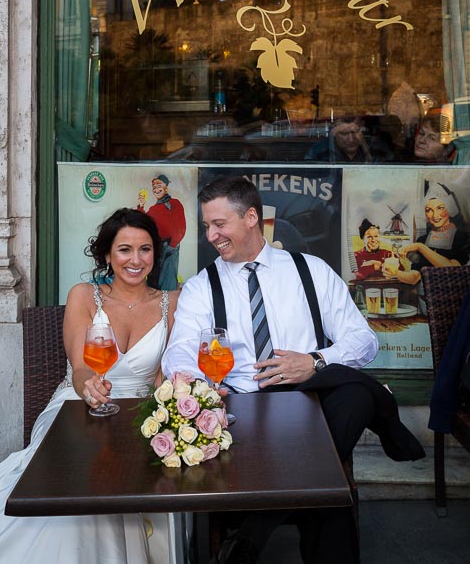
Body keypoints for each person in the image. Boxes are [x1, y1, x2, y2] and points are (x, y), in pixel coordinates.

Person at [162, 175, 410, 564]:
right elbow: (178, 353)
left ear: (250, 218)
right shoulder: (201, 287)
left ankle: (251, 535)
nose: (210, 235)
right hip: (241, 406)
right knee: (328, 494)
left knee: (356, 393)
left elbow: (364, 341)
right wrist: (199, 387)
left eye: (219, 224)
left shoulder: (310, 270)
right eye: (207, 225)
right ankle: (304, 496)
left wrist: (313, 361)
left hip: (310, 402)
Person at [0, 208, 179, 564]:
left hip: (138, 413)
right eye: (125, 249)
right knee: (77, 471)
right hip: (76, 403)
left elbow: (165, 375)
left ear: (155, 255)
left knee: (112, 470)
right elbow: (80, 368)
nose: (136, 259)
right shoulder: (85, 295)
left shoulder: (172, 303)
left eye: (145, 249)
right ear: (108, 255)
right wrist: (88, 388)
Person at [392, 182, 470, 286]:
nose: (435, 215)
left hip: (452, 300)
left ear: (449, 208)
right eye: (429, 210)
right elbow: (414, 278)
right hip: (427, 300)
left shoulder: (461, 237)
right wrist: (394, 272)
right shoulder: (423, 240)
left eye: (440, 208)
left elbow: (453, 269)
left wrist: (421, 248)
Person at [138, 174, 186, 290]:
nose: (156, 189)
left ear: (166, 188)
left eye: (159, 185)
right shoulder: (153, 209)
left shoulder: (174, 203)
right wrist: (141, 206)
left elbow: (181, 227)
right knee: (153, 281)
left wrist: (172, 245)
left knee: (168, 281)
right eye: (154, 187)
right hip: (156, 247)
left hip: (169, 247)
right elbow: (143, 223)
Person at [305, 116, 372, 163]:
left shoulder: (374, 149)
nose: (351, 139)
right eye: (344, 133)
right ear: (334, 135)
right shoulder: (318, 152)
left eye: (355, 132)